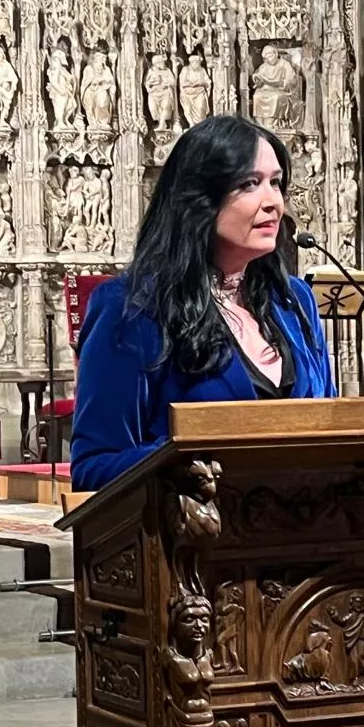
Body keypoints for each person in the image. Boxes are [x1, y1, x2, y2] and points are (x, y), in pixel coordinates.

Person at [70, 114, 336, 492]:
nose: (272, 202)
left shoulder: (294, 300)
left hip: (306, 520)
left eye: (276, 183)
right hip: (198, 524)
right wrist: (187, 456)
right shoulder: (133, 308)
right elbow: (93, 467)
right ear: (199, 199)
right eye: (249, 184)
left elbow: (329, 425)